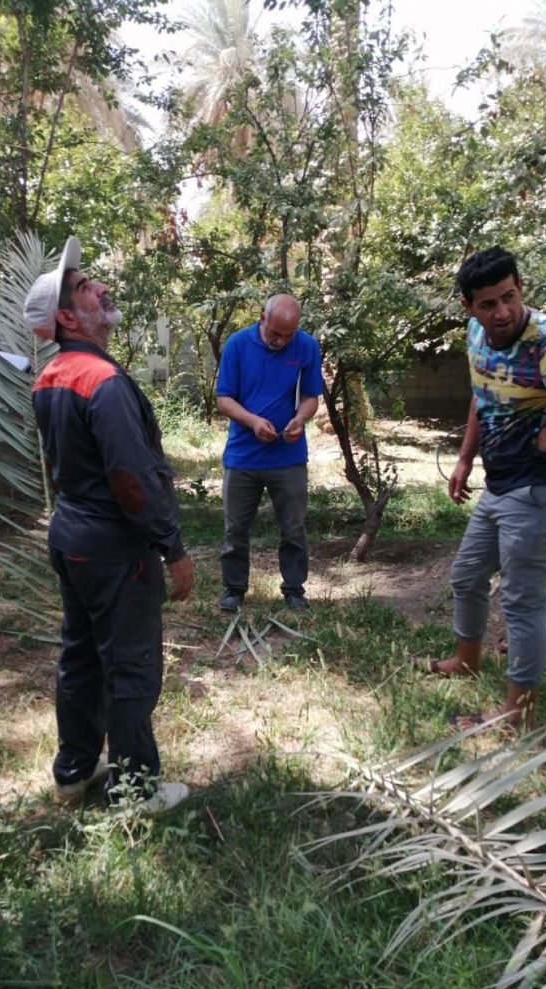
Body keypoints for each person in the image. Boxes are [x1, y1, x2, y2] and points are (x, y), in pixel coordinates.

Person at [24, 237, 195, 812]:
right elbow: (130, 478)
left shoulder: (51, 375)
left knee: (81, 656)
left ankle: (74, 770)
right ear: (69, 317)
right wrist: (171, 546)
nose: (99, 287)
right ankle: (135, 789)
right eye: (84, 286)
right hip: (113, 548)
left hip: (71, 536)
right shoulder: (101, 380)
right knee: (130, 665)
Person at [426, 246, 546, 730]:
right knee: (466, 576)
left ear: (522, 288)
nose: (502, 312)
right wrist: (463, 457)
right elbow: (484, 395)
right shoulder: (477, 334)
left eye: (510, 297)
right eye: (488, 303)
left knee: (521, 601)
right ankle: (467, 660)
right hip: (500, 486)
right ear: (469, 307)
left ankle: (516, 712)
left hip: (543, 489)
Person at [215, 293, 323, 612]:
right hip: (242, 456)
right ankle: (233, 590)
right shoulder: (237, 344)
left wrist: (300, 419)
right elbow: (224, 399)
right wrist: (252, 421)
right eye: (276, 333)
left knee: (293, 528)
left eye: (288, 335)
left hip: (288, 456)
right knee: (235, 529)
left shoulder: (306, 347)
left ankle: (294, 590)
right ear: (262, 317)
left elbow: (311, 397)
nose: (281, 341)